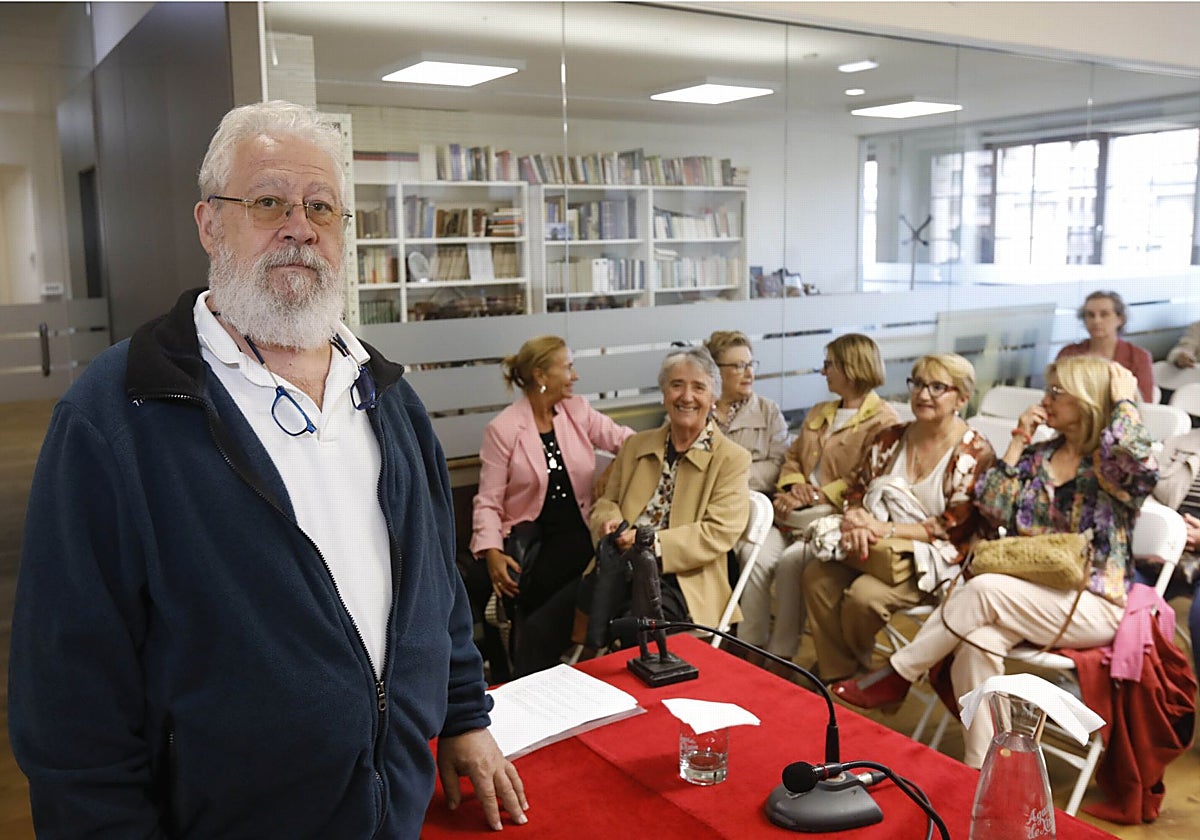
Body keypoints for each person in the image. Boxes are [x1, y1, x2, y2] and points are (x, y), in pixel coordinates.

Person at [8, 101, 526, 836]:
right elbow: (67, 702)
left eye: (321, 206)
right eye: (267, 202)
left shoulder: (391, 401)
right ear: (209, 224)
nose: (299, 226)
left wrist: (467, 714)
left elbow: (434, 590)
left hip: (396, 815)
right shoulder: (117, 416)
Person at [833, 358, 1158, 769]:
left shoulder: (1110, 468)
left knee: (983, 589)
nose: (1046, 399)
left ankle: (898, 674)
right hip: (1029, 596)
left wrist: (1125, 401)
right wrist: (1019, 438)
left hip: (1091, 602)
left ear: (1088, 399)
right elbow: (992, 506)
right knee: (976, 642)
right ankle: (983, 768)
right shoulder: (1041, 456)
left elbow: (1140, 464)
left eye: (1057, 392)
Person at [803, 353, 996, 684]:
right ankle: (845, 675)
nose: (923, 395)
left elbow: (954, 525)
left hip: (935, 558)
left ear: (962, 398)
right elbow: (855, 491)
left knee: (864, 598)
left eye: (938, 387)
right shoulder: (890, 438)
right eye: (918, 384)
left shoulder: (974, 452)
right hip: (873, 546)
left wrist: (884, 528)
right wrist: (857, 518)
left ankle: (872, 679)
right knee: (816, 576)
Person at [471, 335, 633, 676]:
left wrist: (615, 470)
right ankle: (534, 667)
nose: (574, 376)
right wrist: (491, 552)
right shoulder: (503, 429)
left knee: (553, 604)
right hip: (533, 539)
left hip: (580, 531)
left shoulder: (577, 411)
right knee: (515, 585)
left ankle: (534, 667)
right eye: (568, 367)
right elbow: (488, 500)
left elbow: (628, 443)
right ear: (542, 376)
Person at [737, 333, 899, 659]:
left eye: (829, 365)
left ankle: (780, 655)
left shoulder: (884, 421)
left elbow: (867, 479)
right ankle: (749, 646)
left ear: (850, 368)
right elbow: (792, 457)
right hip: (791, 510)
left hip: (836, 517)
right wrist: (793, 486)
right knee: (755, 555)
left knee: (788, 563)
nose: (823, 372)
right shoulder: (819, 411)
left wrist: (815, 496)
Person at [590, 346, 751, 632]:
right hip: (619, 567)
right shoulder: (635, 445)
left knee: (633, 631)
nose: (686, 397)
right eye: (677, 385)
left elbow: (719, 531)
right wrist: (609, 524)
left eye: (699, 388)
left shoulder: (732, 458)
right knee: (546, 624)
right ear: (664, 394)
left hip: (683, 580)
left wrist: (651, 543)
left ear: (713, 398)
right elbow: (606, 502)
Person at [1141, 425, 1200, 677]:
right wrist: (1171, 528)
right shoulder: (1179, 443)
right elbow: (1151, 495)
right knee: (1122, 598)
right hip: (1168, 549)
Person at [704, 330, 789, 494]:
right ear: (715, 371)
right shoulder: (695, 410)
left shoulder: (769, 411)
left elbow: (780, 465)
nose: (749, 373)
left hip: (756, 503)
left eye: (751, 365)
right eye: (740, 366)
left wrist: (730, 477)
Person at [1057, 289, 1154, 402]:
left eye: (1104, 314)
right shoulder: (1069, 353)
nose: (1096, 321)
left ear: (1120, 319)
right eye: (1090, 315)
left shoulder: (1138, 356)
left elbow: (1145, 403)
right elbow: (1056, 394)